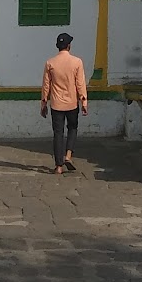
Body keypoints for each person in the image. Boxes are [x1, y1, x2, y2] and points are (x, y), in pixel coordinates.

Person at [39, 32, 87, 175]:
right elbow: (80, 84)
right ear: (69, 45)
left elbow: (46, 85)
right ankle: (68, 155)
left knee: (58, 134)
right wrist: (84, 101)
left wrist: (43, 103)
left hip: (56, 104)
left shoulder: (50, 63)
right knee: (72, 128)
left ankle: (58, 166)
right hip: (72, 103)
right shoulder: (77, 62)